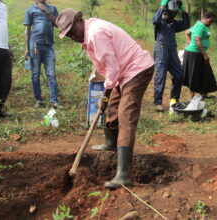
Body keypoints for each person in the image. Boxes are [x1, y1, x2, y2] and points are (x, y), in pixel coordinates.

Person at [56, 8, 154, 189]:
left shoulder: (96, 34)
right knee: (112, 107)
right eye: (68, 35)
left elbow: (113, 70)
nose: (72, 37)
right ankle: (111, 143)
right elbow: (109, 69)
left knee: (126, 115)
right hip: (122, 72)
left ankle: (124, 175)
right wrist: (107, 98)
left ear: (79, 21)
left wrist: (105, 96)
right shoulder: (88, 34)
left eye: (72, 32)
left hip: (136, 70)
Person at [152, 0, 189, 112]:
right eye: (165, 14)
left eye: (168, 14)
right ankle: (158, 102)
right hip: (161, 51)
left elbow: (186, 24)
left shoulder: (174, 24)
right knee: (160, 77)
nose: (166, 15)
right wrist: (163, 6)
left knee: (179, 75)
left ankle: (174, 99)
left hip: (172, 52)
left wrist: (183, 10)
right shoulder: (159, 23)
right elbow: (154, 19)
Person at [24, 0, 61, 109]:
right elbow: (27, 30)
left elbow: (58, 24)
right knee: (35, 73)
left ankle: (54, 101)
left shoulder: (52, 8)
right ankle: (38, 99)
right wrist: (26, 48)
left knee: (51, 73)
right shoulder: (31, 10)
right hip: (35, 45)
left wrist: (48, 12)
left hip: (49, 46)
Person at [182, 12, 217, 99]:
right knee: (194, 76)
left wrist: (189, 43)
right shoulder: (200, 26)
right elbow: (197, 40)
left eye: (212, 22)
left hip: (197, 53)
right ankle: (191, 98)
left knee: (205, 73)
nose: (211, 23)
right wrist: (205, 55)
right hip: (195, 54)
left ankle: (203, 94)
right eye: (210, 21)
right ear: (205, 18)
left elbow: (187, 33)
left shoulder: (199, 25)